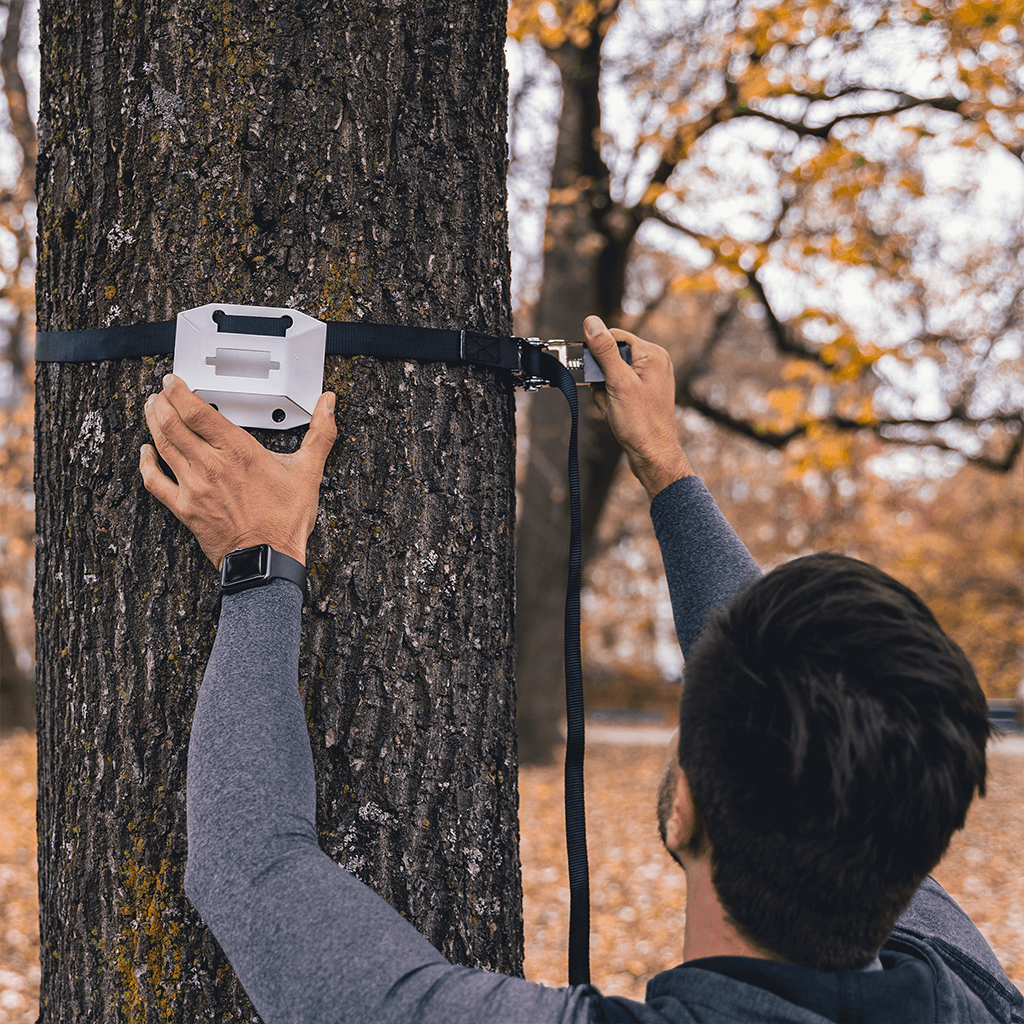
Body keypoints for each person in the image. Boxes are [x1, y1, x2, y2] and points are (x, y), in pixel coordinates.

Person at [139, 315, 1024, 1024]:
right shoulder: (972, 988)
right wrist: (665, 467)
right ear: (927, 824)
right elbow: (788, 681)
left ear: (682, 809)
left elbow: (249, 864)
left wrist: (259, 555)